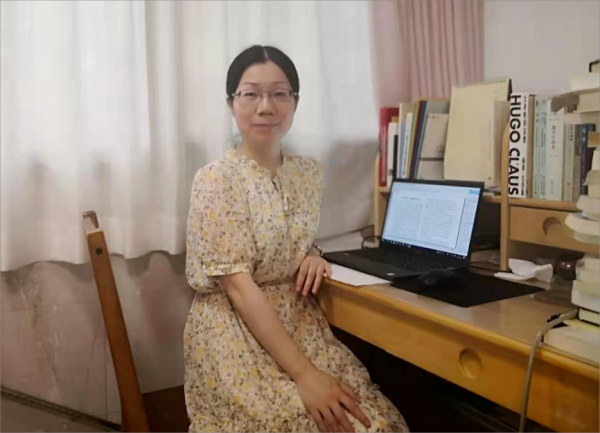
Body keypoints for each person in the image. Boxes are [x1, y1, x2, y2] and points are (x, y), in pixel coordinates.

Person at [184, 45, 408, 433]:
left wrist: (313, 253)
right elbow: (238, 287)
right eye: (251, 94)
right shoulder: (215, 179)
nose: (265, 107)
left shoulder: (307, 173)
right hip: (234, 332)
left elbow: (288, 236)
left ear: (295, 102)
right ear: (231, 103)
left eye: (279, 93)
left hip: (300, 324)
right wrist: (306, 376)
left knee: (377, 423)